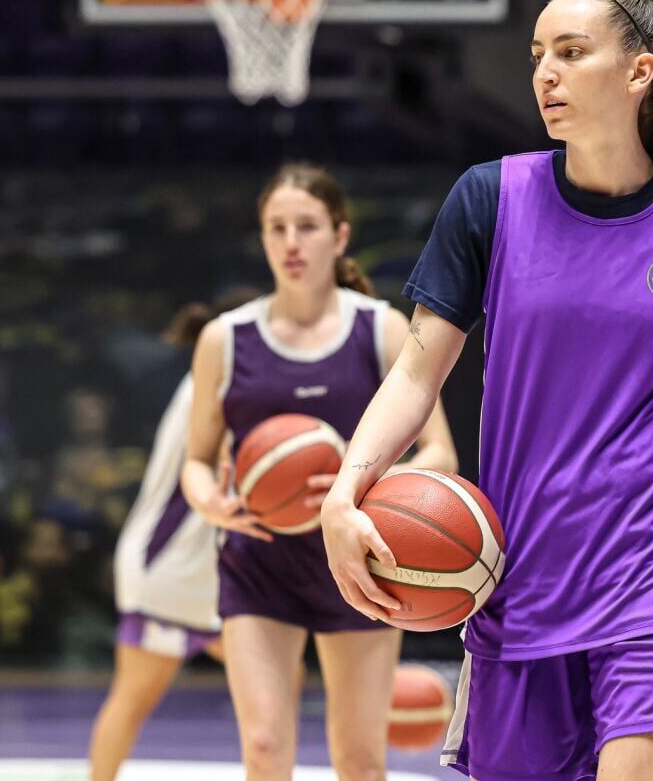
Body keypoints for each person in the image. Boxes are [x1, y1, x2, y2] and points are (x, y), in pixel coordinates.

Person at [320, 0, 653, 781]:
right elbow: (416, 372)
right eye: (538, 55)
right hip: (519, 576)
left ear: (639, 71)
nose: (545, 74)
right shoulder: (488, 199)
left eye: (570, 53)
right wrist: (344, 492)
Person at [182, 163, 459, 781]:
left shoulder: (381, 328)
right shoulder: (224, 340)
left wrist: (358, 491)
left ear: (340, 236)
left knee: (359, 759)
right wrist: (212, 504)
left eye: (306, 226)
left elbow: (440, 453)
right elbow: (196, 463)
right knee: (263, 748)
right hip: (258, 564)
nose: (290, 242)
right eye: (276, 228)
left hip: (359, 564)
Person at [88, 302, 227, 781]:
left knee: (277, 683)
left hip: (209, 566)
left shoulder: (213, 376)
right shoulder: (221, 381)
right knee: (134, 697)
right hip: (171, 562)